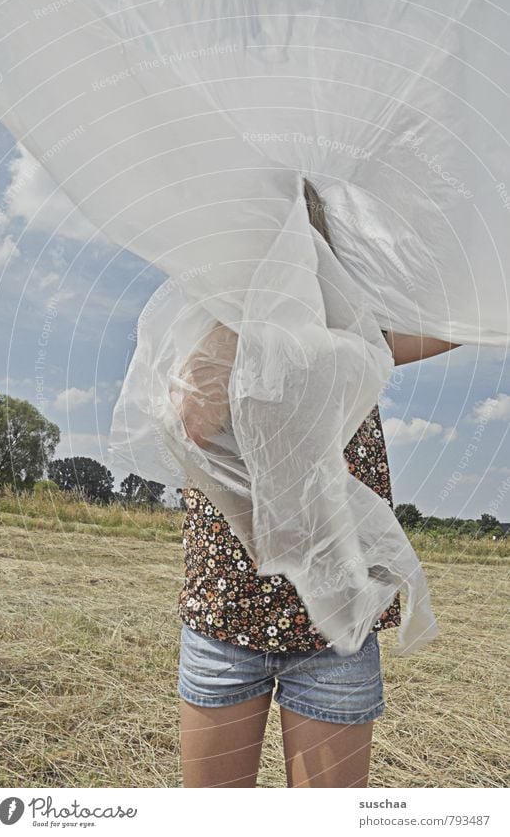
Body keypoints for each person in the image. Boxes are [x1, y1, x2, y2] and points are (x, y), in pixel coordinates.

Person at [175, 179, 461, 788]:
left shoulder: (358, 336)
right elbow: (196, 420)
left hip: (335, 630)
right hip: (226, 619)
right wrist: (250, 295)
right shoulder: (205, 321)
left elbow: (459, 320)